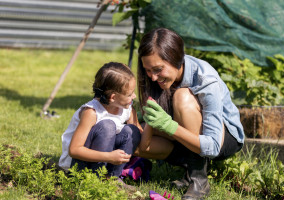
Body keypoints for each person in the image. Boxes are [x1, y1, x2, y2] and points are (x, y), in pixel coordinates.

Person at [136, 28, 245, 200]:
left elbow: (213, 146)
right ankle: (186, 169)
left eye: (158, 69)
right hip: (186, 134)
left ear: (176, 59)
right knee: (134, 135)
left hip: (223, 138)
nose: (153, 78)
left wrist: (169, 127)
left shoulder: (205, 79)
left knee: (182, 97)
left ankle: (198, 180)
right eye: (148, 70)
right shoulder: (154, 78)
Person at [58, 62, 142, 183]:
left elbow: (139, 134)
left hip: (105, 157)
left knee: (132, 131)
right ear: (113, 97)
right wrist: (109, 157)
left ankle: (112, 178)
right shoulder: (91, 112)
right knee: (107, 127)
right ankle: (93, 181)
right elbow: (74, 150)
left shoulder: (127, 108)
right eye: (129, 94)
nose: (134, 96)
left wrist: (151, 123)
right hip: (77, 166)